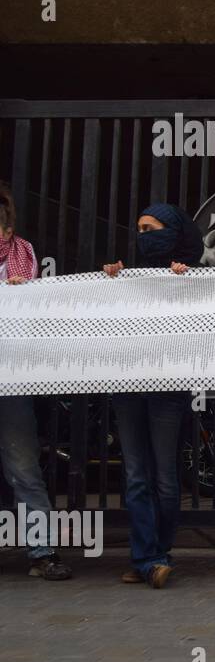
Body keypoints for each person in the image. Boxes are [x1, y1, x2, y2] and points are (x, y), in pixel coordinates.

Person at [103, 203, 205, 588]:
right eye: (140, 229)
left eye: (152, 228)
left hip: (168, 387)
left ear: (173, 232)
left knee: (164, 477)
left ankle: (153, 555)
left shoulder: (192, 277)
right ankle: (148, 558)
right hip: (127, 385)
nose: (144, 236)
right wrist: (111, 280)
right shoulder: (128, 275)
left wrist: (186, 283)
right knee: (135, 476)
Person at [0, 182, 72, 581]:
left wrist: (22, 296)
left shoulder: (24, 257)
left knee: (23, 467)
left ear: (8, 231)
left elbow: (39, 315)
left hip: (11, 380)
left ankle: (42, 552)